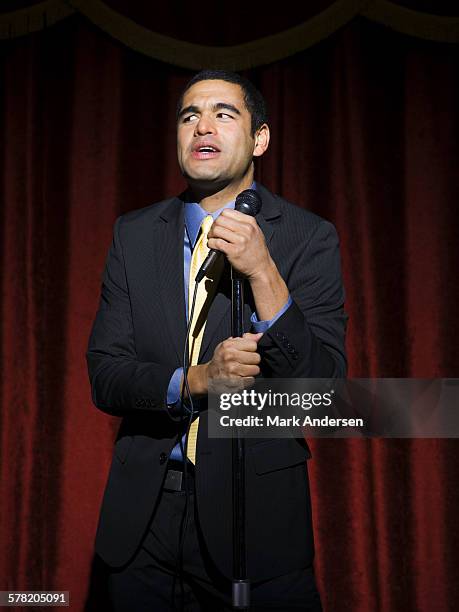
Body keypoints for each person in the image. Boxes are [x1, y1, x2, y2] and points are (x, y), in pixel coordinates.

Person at [86, 69, 347, 611]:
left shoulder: (308, 237)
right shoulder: (133, 234)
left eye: (224, 114)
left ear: (260, 139)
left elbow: (323, 393)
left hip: (259, 528)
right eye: (189, 116)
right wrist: (196, 380)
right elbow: (105, 373)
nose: (202, 125)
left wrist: (262, 273)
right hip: (143, 526)